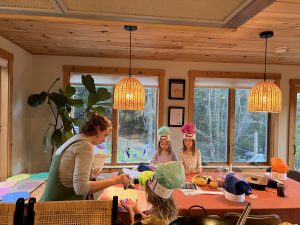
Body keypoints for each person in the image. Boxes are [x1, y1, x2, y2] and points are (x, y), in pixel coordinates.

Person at [41, 113, 130, 201]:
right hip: (57, 210)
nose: (104, 140)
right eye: (105, 135)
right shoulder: (85, 145)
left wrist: (90, 175)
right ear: (98, 129)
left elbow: (67, 176)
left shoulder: (76, 139)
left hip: (47, 204)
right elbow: (81, 189)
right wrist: (115, 180)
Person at [120, 161, 185, 225]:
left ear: (152, 196)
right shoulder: (166, 212)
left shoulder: (157, 220)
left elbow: (134, 223)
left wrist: (130, 210)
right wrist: (135, 209)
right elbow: (149, 220)